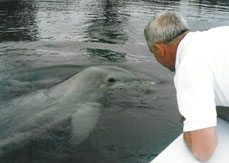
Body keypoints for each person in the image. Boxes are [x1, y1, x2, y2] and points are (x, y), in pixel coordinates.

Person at [144, 11, 229, 162]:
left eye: (153, 53)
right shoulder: (219, 34)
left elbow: (204, 151)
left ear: (160, 49)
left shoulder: (189, 64)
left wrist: (189, 130)